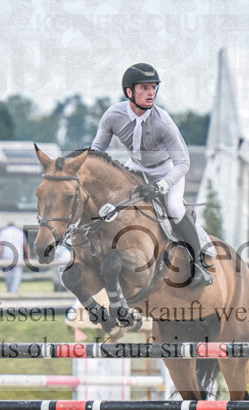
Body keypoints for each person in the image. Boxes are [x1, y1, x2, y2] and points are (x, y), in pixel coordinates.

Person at [90, 62, 213, 286]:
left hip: (168, 170)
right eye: (144, 87)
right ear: (129, 92)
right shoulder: (113, 115)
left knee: (174, 208)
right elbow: (96, 151)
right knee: (112, 202)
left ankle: (199, 265)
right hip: (136, 166)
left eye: (154, 87)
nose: (151, 92)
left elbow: (183, 163)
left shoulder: (163, 122)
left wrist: (160, 187)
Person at [0, 222, 29, 293]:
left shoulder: (3, 232)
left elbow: (0, 246)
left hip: (7, 255)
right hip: (18, 256)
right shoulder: (20, 232)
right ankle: (14, 292)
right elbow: (25, 245)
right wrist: (28, 256)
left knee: (8, 276)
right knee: (17, 276)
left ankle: (10, 291)